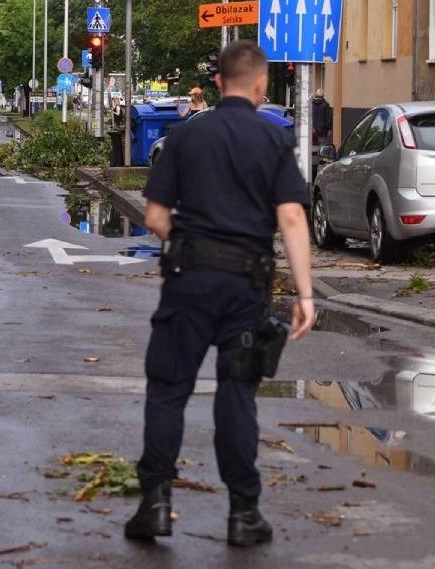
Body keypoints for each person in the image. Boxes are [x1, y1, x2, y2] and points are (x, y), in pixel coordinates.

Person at [124, 41, 316, 548]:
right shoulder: (273, 140)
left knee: (168, 390)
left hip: (188, 281)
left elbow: (155, 218)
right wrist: (305, 294)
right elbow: (292, 216)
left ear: (217, 83)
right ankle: (243, 514)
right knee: (237, 394)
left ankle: (156, 505)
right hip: (245, 289)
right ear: (260, 85)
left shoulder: (186, 136)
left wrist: (190, 244)